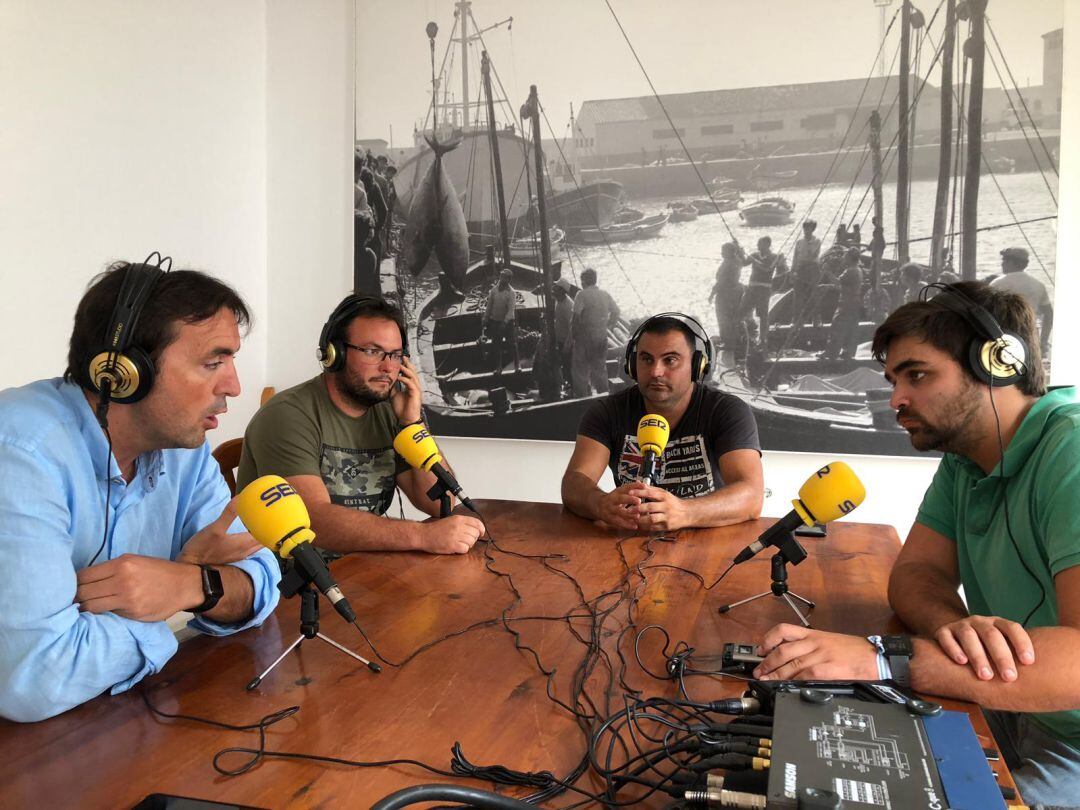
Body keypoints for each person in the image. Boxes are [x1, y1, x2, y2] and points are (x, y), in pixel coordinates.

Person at [753, 281, 1080, 807]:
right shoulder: (964, 458)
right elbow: (915, 576)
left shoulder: (1072, 452)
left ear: (996, 363)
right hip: (1009, 699)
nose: (896, 399)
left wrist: (886, 660)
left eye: (917, 375)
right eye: (893, 379)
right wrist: (954, 630)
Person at [0, 260, 281, 722]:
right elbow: (35, 679)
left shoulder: (182, 448)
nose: (233, 386)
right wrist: (173, 612)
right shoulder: (22, 451)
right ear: (125, 372)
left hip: (111, 722)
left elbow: (263, 579)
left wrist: (191, 582)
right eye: (213, 362)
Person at [237, 295, 485, 555]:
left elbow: (439, 503)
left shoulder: (390, 413)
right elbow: (313, 520)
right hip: (294, 583)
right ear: (335, 353)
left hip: (364, 570)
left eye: (396, 355)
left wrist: (412, 425)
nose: (389, 367)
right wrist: (422, 535)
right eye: (372, 351)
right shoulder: (287, 416)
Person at [561, 314, 763, 533]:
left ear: (697, 366)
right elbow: (574, 482)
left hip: (709, 545)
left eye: (670, 360)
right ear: (631, 364)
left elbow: (751, 496)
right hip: (631, 543)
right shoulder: (606, 412)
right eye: (647, 359)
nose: (656, 372)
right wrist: (600, 504)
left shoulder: (727, 411)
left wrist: (685, 512)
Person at [991, 247, 1053, 355]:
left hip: (1004, 337)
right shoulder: (1038, 285)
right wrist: (1043, 341)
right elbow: (1049, 313)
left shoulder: (997, 284)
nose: (1002, 264)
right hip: (1030, 336)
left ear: (1013, 262)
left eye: (1005, 260)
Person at [570, 268, 620, 397]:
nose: (581, 283)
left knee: (581, 370)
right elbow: (616, 311)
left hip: (585, 338)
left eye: (582, 281)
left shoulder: (581, 294)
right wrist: (608, 324)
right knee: (600, 369)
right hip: (601, 336)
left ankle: (582, 398)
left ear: (585, 281)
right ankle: (604, 396)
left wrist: (573, 337)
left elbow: (575, 318)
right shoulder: (605, 294)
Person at [742, 236, 788, 350]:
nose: (758, 246)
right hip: (752, 287)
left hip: (764, 289)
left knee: (763, 315)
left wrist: (754, 261)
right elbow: (743, 263)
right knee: (741, 312)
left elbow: (767, 269)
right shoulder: (754, 255)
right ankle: (743, 337)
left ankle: (763, 339)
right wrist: (740, 252)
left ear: (767, 244)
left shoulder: (774, 257)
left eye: (760, 243)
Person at [820, 247, 864, 360]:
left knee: (837, 327)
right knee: (851, 328)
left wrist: (827, 271)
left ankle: (831, 353)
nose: (843, 258)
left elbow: (838, 282)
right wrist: (828, 286)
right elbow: (845, 286)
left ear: (850, 257)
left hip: (845, 303)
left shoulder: (850, 271)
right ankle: (848, 352)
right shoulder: (858, 270)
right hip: (855, 303)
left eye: (845, 256)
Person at [709, 242, 748, 354]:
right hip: (736, 292)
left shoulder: (729, 264)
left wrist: (712, 294)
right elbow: (743, 259)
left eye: (723, 251)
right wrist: (740, 249)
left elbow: (721, 281)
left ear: (730, 252)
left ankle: (729, 343)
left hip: (726, 294)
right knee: (734, 316)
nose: (721, 253)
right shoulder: (737, 260)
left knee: (724, 317)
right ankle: (735, 340)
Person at [482, 268, 520, 375]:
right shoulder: (493, 290)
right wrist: (485, 318)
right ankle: (498, 368)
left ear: (509, 279)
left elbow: (511, 310)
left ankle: (517, 365)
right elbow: (489, 306)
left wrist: (505, 322)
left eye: (504, 277)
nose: (501, 278)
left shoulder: (511, 293)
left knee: (512, 344)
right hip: (495, 321)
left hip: (507, 323)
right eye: (501, 276)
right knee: (496, 345)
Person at [553, 277, 575, 386]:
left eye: (556, 287)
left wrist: (567, 346)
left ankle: (573, 389)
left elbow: (572, 328)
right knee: (564, 366)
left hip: (568, 343)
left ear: (562, 290)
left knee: (568, 367)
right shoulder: (558, 301)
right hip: (560, 340)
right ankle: (568, 386)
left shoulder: (568, 306)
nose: (553, 289)